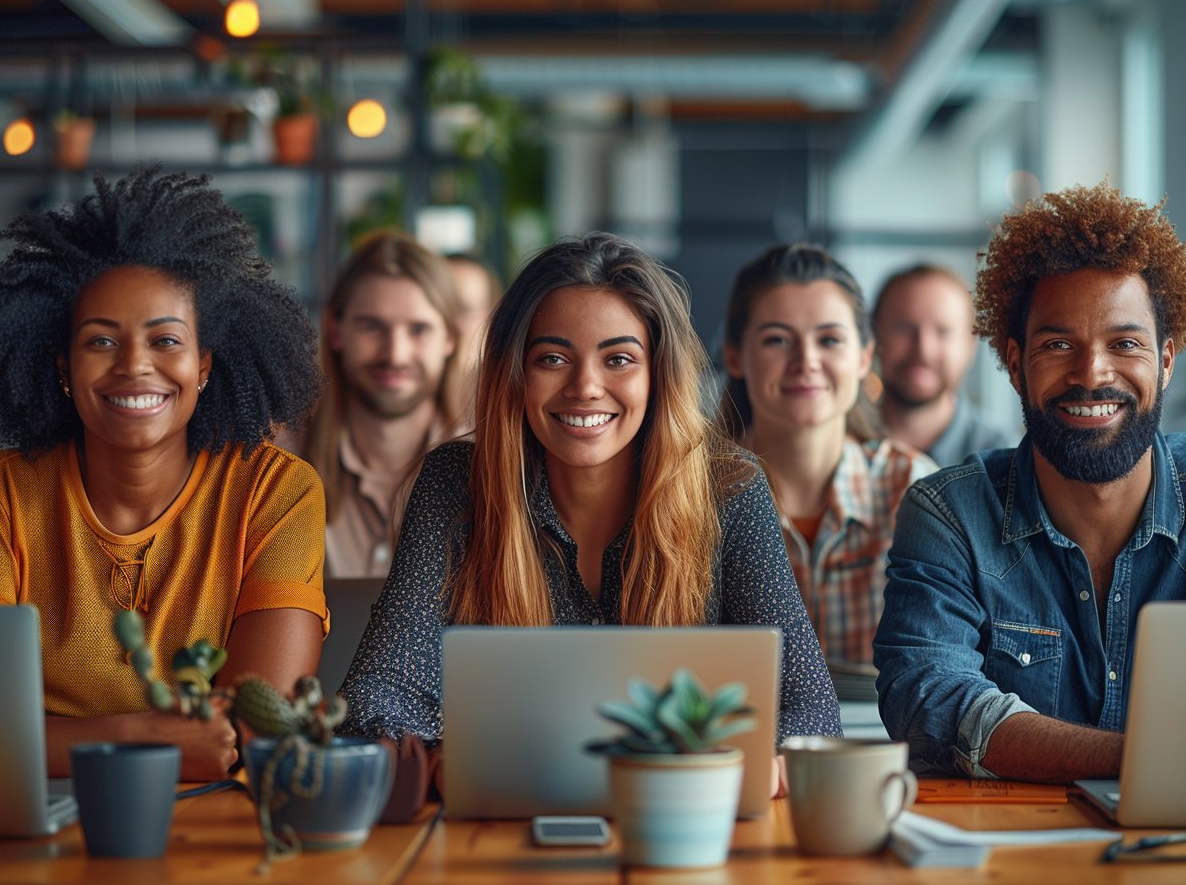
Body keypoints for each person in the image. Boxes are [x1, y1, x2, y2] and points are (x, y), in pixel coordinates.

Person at [338, 233, 842, 794]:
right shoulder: (456, 485)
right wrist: (436, 758)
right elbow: (378, 694)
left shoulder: (731, 488)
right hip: (506, 828)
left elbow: (809, 709)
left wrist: (768, 763)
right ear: (515, 373)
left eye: (619, 359)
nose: (585, 387)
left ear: (659, 374)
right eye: (552, 358)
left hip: (682, 818)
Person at [0, 168, 327, 781]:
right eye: (100, 342)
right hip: (37, 830)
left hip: (220, 834)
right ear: (63, 368)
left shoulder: (274, 491)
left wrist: (51, 740)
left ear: (203, 366)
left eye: (165, 340)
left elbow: (251, 732)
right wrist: (145, 736)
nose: (134, 367)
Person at [874, 182, 1186, 783]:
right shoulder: (950, 512)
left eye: (1124, 343)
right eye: (1058, 345)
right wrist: (1150, 762)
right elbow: (927, 694)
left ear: (1166, 359)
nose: (1091, 373)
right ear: (1013, 361)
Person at [719, 245, 936, 666]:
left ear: (864, 357)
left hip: (884, 733)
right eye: (777, 340)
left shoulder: (913, 488)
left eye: (830, 339)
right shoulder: (692, 492)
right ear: (735, 356)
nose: (806, 361)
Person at [295, 231, 463, 578]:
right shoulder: (282, 467)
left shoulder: (490, 467)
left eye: (418, 329)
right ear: (336, 331)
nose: (395, 354)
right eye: (372, 326)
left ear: (449, 337)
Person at [872, 264, 1019, 466]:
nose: (924, 349)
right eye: (904, 328)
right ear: (874, 337)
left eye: (943, 331)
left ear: (970, 346)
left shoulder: (1006, 460)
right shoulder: (838, 444)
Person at [441, 251, 501, 423]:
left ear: (492, 315)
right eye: (442, 309)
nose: (452, 323)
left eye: (465, 310)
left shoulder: (505, 395)